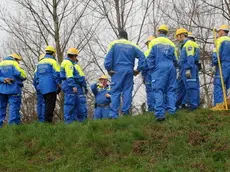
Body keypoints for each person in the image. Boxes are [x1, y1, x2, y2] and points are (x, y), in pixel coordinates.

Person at [104, 29, 145, 119]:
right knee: (127, 91)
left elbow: (108, 59)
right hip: (129, 71)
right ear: (127, 37)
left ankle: (114, 115)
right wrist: (138, 70)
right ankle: (126, 113)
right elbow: (142, 57)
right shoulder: (133, 45)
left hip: (117, 71)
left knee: (115, 92)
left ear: (119, 36)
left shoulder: (114, 44)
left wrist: (109, 69)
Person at [146, 25, 177, 121]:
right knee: (171, 90)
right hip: (171, 67)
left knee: (158, 90)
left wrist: (151, 70)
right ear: (166, 33)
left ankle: (160, 114)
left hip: (159, 67)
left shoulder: (153, 42)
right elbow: (175, 59)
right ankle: (172, 112)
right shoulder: (171, 43)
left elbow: (150, 57)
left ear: (158, 32)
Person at [176, 28, 199, 110]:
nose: (176, 38)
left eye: (177, 36)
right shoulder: (183, 45)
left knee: (191, 87)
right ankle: (176, 106)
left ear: (181, 35)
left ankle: (193, 106)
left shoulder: (189, 43)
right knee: (180, 88)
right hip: (183, 68)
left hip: (188, 67)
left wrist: (189, 68)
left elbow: (190, 56)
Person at [0, 53, 27, 127]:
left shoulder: (1, 63)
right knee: (13, 106)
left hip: (1, 90)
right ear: (15, 59)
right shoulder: (14, 64)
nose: (19, 62)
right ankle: (12, 126)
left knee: (1, 107)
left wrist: (3, 79)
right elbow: (23, 76)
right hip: (13, 89)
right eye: (18, 60)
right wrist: (21, 70)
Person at [36, 46, 61, 123]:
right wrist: (59, 84)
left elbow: (36, 77)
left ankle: (44, 121)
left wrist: (38, 86)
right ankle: (48, 122)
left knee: (45, 104)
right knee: (50, 105)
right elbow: (57, 74)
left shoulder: (39, 63)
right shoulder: (53, 62)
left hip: (42, 87)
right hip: (51, 87)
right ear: (53, 53)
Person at [61, 48, 83, 123]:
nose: (76, 58)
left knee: (76, 103)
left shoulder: (67, 62)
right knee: (69, 103)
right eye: (76, 56)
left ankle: (75, 121)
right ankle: (68, 122)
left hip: (67, 84)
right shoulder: (68, 63)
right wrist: (73, 86)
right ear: (73, 56)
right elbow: (69, 75)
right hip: (69, 85)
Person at [211, 25, 230, 110]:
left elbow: (216, 54)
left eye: (219, 31)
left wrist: (214, 64)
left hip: (222, 65)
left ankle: (219, 105)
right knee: (227, 85)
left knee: (218, 84)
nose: (218, 33)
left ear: (222, 31)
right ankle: (227, 104)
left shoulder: (219, 40)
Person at [142, 36, 155, 112]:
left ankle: (151, 108)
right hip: (157, 73)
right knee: (158, 90)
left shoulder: (146, 53)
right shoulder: (157, 52)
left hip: (148, 73)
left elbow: (144, 65)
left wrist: (143, 75)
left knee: (150, 91)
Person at [33, 54, 45, 122]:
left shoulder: (37, 67)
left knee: (40, 103)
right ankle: (44, 120)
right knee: (44, 103)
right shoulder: (46, 65)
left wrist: (37, 87)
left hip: (38, 87)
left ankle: (40, 119)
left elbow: (34, 81)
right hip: (44, 87)